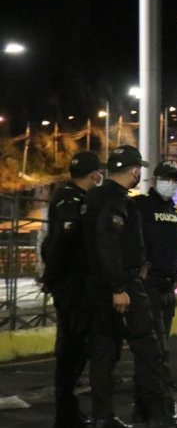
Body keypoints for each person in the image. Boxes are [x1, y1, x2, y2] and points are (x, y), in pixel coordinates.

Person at [82, 145, 177, 428]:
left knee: (105, 352)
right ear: (134, 171)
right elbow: (109, 241)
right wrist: (120, 285)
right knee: (149, 350)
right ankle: (157, 416)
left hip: (100, 283)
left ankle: (104, 416)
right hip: (125, 283)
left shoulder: (95, 197)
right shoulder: (122, 200)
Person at [41, 150, 103, 428]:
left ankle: (69, 411)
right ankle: (66, 415)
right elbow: (60, 244)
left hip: (77, 285)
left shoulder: (75, 197)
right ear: (94, 175)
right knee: (71, 351)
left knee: (77, 349)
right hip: (71, 287)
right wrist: (52, 277)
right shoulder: (70, 199)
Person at [134, 160, 177, 422]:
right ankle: (163, 410)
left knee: (156, 350)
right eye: (168, 178)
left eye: (175, 179)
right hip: (148, 287)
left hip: (167, 287)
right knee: (157, 351)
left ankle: (144, 409)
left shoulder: (175, 213)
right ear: (155, 180)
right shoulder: (142, 207)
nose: (172, 183)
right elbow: (131, 241)